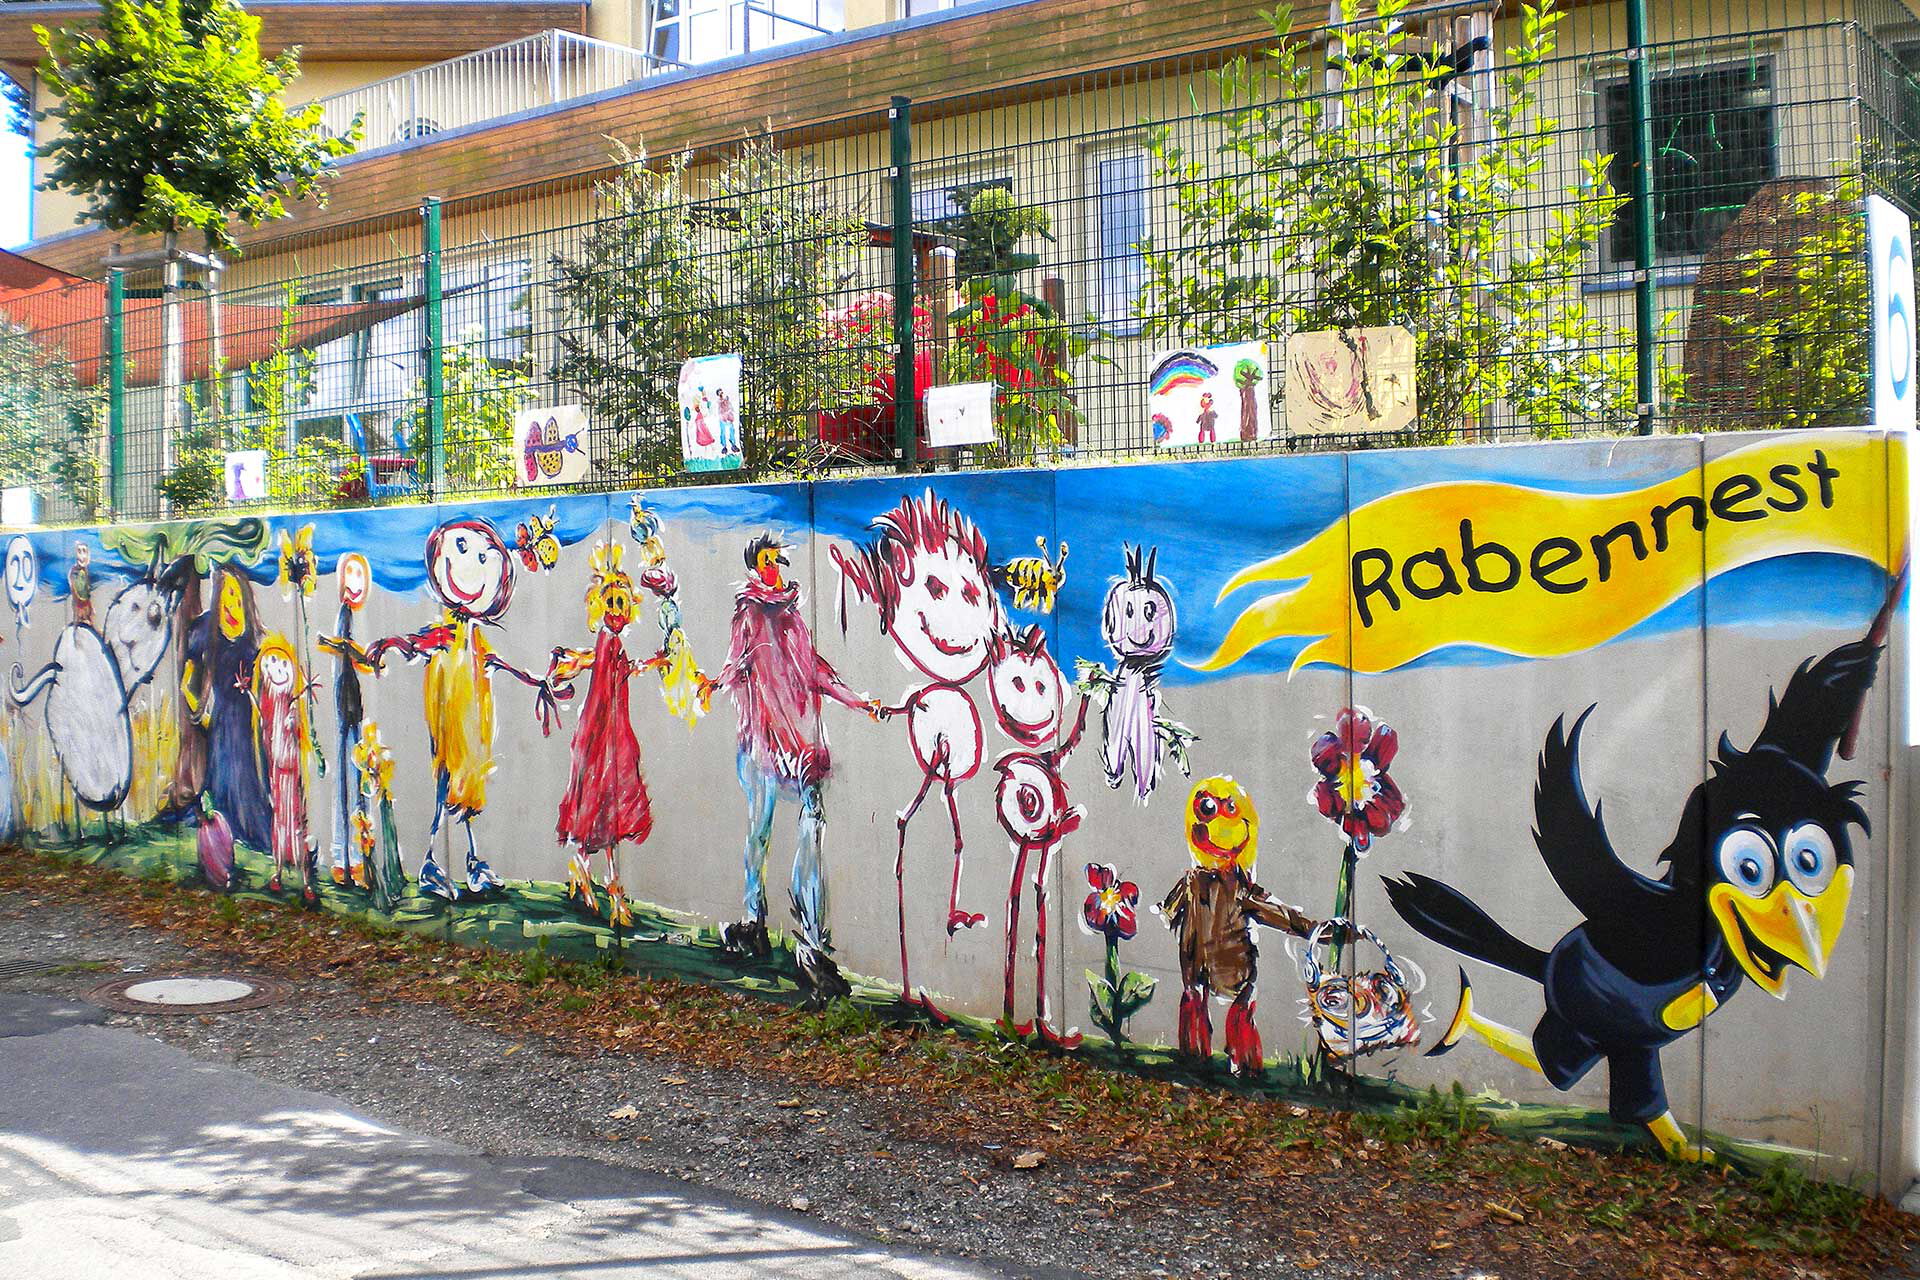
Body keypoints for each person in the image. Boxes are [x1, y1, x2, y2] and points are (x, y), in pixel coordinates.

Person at [701, 533, 877, 1007]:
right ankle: (755, 920)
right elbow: (737, 666)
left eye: (778, 558)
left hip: (800, 742)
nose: (775, 565)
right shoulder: (748, 614)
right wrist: (713, 683)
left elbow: (811, 669)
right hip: (761, 741)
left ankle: (811, 946)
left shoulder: (794, 615)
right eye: (767, 559)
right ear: (754, 565)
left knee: (809, 834)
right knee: (759, 832)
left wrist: (858, 701)